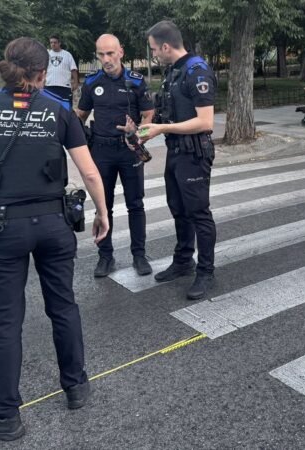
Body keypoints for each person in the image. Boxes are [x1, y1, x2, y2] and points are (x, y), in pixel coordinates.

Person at [0, 37, 109, 441]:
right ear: (42, 73)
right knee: (63, 305)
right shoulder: (59, 109)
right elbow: (87, 172)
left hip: (2, 229)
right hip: (53, 224)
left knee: (6, 323)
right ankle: (75, 386)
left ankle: (4, 416)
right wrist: (103, 213)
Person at [132, 20, 217, 300]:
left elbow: (205, 122)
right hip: (176, 151)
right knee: (178, 208)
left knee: (198, 213)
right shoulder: (174, 71)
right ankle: (183, 261)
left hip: (194, 152)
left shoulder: (196, 70)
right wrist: (143, 130)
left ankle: (206, 271)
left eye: (155, 49)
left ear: (166, 46)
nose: (154, 54)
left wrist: (162, 129)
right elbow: (170, 112)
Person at [77, 34, 155, 278]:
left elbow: (149, 114)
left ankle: (139, 255)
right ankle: (105, 256)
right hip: (101, 150)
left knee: (135, 204)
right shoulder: (92, 82)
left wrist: (137, 135)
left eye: (110, 53)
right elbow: (79, 115)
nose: (106, 59)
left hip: (128, 149)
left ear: (121, 52)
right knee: (103, 206)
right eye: (101, 54)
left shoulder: (136, 81)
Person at [46, 35, 78, 103]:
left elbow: (73, 69)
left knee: (65, 107)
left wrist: (75, 83)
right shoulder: (47, 54)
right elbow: (42, 69)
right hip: (49, 85)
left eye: (55, 42)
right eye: (51, 42)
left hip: (64, 86)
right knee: (50, 107)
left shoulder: (67, 55)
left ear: (59, 43)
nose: (53, 44)